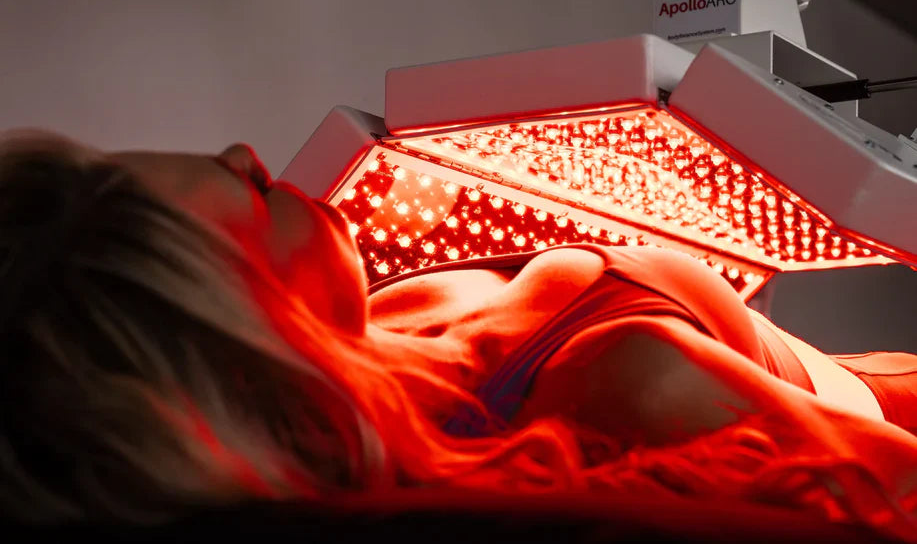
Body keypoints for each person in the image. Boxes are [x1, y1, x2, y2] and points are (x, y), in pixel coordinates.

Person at [2, 128, 917, 540]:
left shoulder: (386, 327)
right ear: (243, 332)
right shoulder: (626, 386)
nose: (249, 151)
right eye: (253, 193)